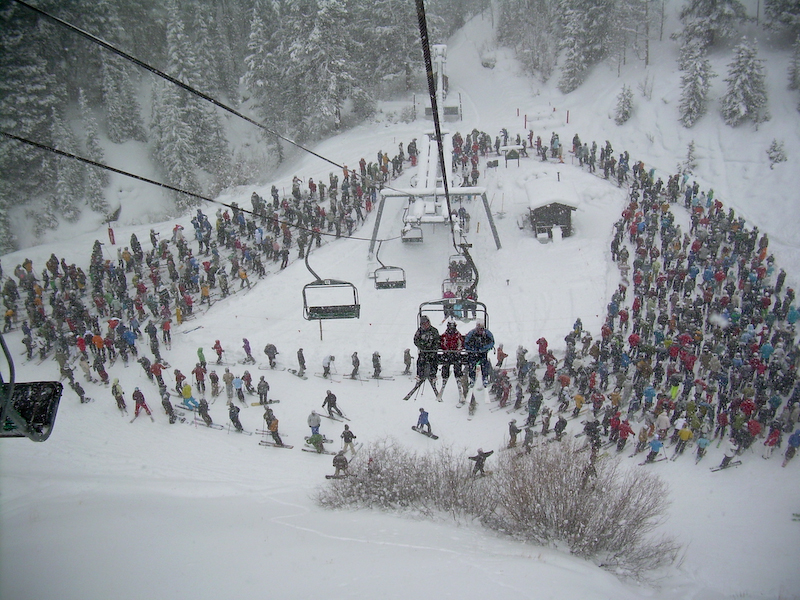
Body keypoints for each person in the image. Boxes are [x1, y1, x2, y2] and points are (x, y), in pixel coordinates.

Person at [464, 320, 495, 386]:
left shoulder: (487, 334)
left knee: (484, 363)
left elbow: (492, 342)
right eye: (478, 329)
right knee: (471, 363)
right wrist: (472, 349)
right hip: (473, 352)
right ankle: (472, 378)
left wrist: (484, 348)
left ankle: (485, 377)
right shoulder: (472, 333)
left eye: (481, 329)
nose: (480, 331)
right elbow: (466, 343)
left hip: (482, 352)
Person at [413, 315, 440, 385]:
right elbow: (416, 340)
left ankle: (433, 374)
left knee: (433, 359)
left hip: (432, 351)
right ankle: (420, 374)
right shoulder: (420, 331)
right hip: (424, 350)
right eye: (423, 324)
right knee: (421, 359)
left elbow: (437, 341)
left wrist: (433, 348)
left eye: (426, 323)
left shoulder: (434, 331)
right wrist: (422, 346)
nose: (425, 326)